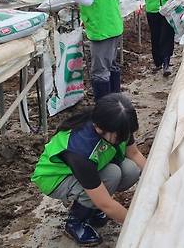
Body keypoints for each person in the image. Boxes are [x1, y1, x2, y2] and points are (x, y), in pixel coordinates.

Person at [31, 93, 146, 245]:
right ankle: (75, 222)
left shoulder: (117, 124)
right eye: (122, 135)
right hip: (55, 178)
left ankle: (92, 210)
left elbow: (134, 154)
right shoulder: (80, 149)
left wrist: (160, 179)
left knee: (131, 170)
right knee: (112, 175)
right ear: (100, 129)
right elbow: (105, 203)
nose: (126, 138)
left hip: (93, 166)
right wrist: (142, 224)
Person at [46, 0, 123, 100]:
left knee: (100, 72)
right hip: (112, 24)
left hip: (102, 29)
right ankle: (116, 102)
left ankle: (105, 111)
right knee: (111, 65)